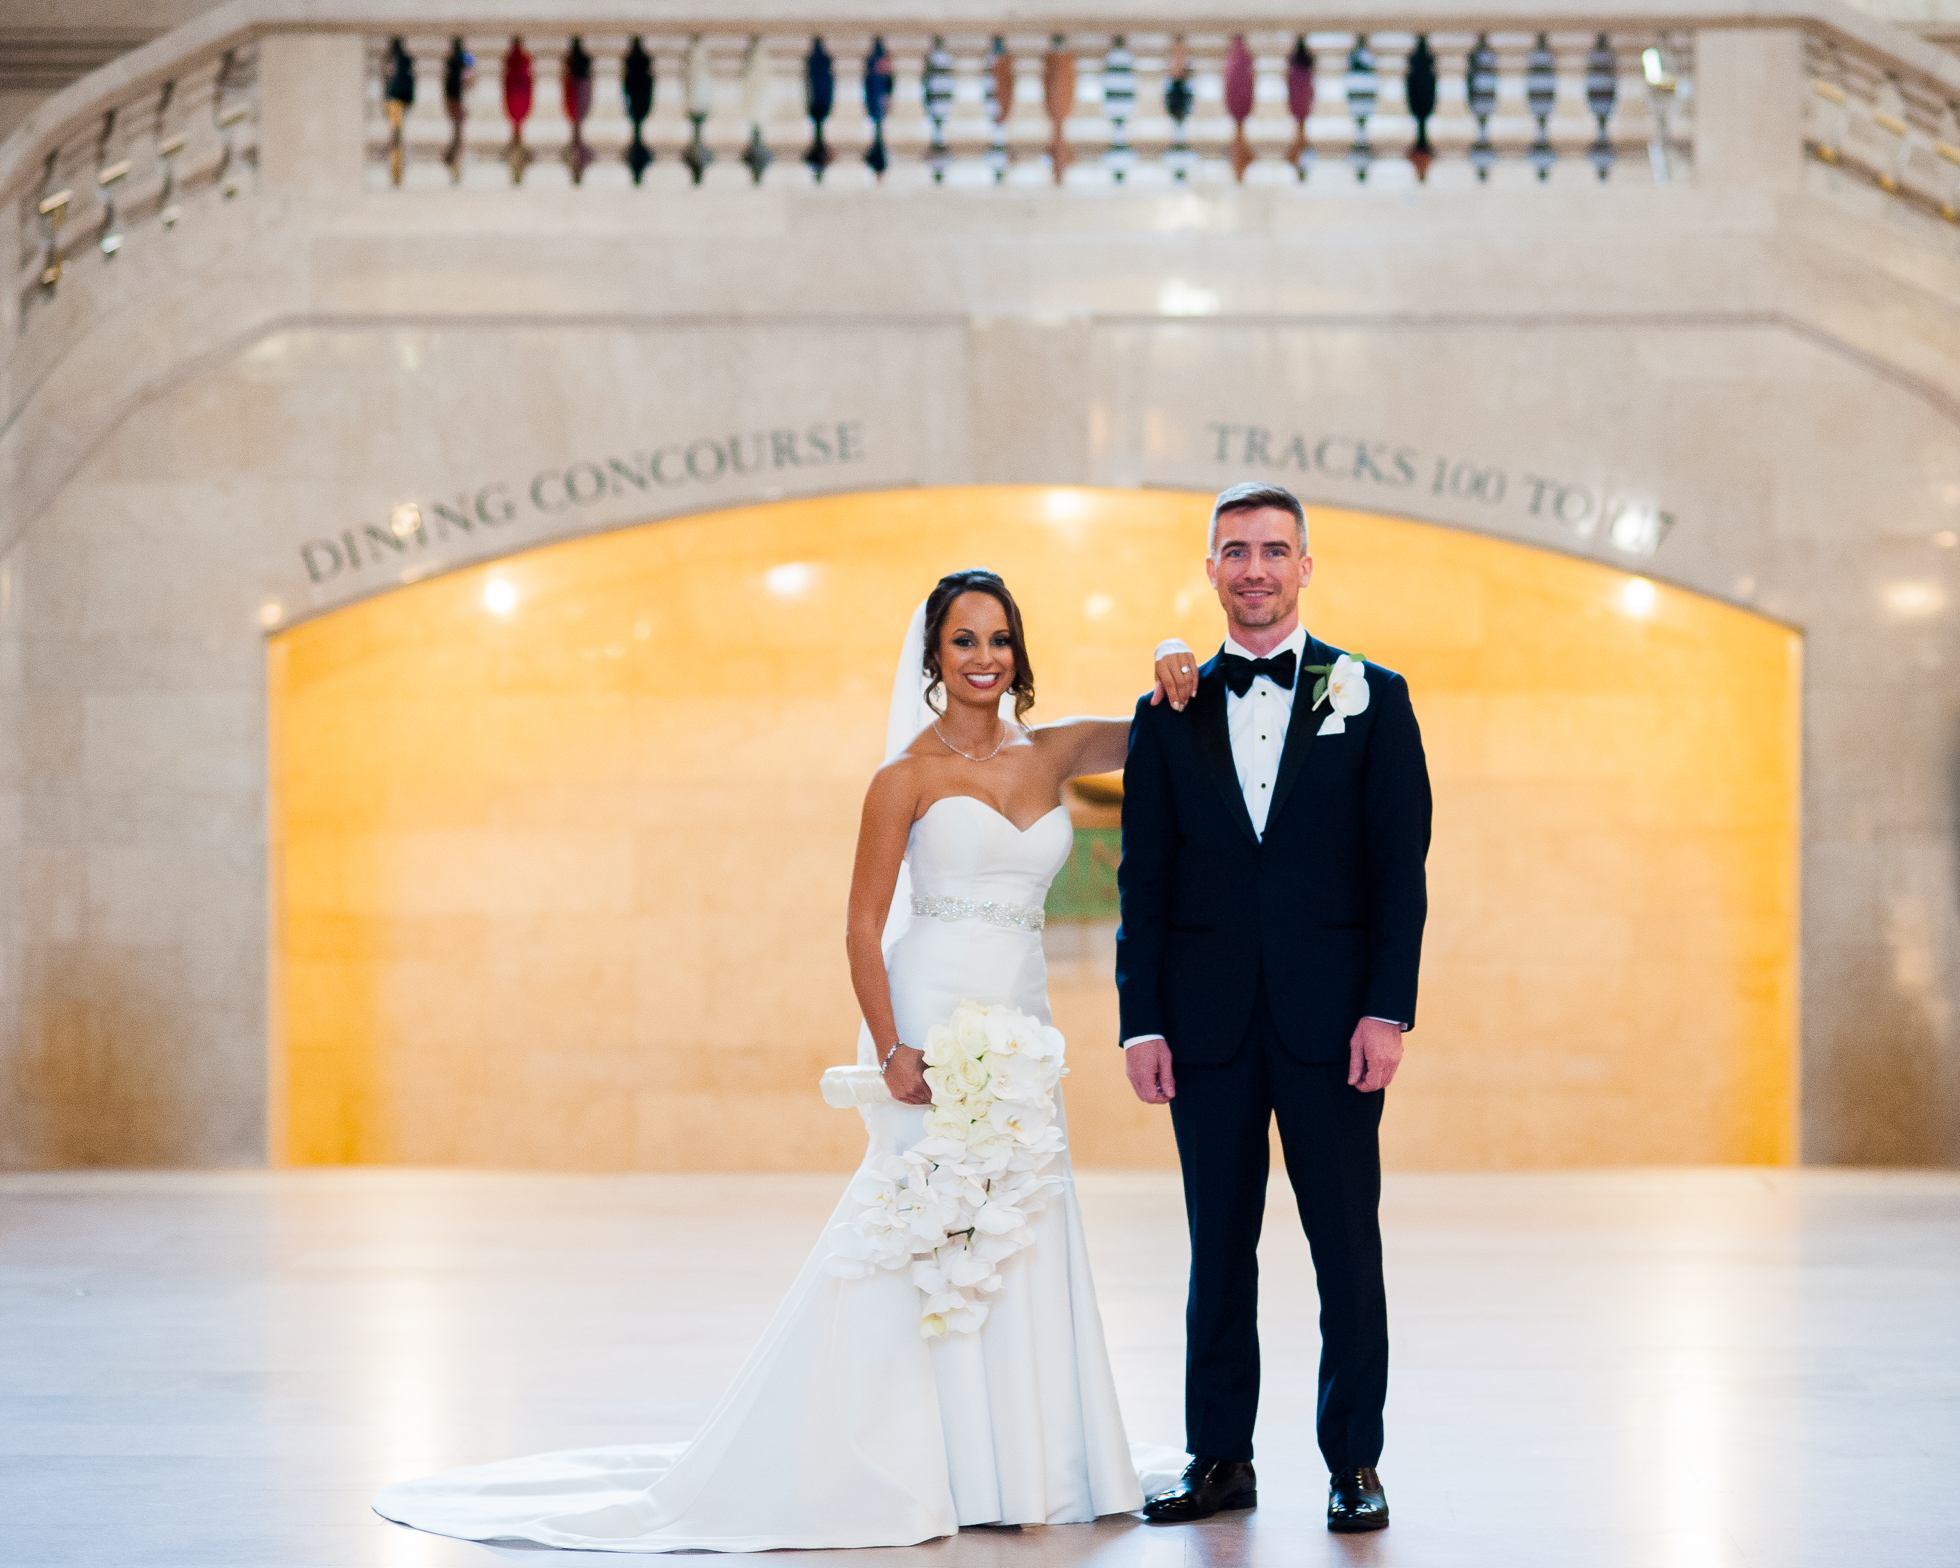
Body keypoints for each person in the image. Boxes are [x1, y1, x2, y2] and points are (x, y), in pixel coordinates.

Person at [372, 568, 1180, 1551]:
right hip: (930, 1014)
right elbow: (860, 924)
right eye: (963, 641)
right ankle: (891, 1452)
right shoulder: (905, 777)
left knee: (1021, 1215)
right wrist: (892, 1047)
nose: (983, 659)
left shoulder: (1050, 751)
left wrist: (1173, 662)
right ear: (932, 655)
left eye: (999, 639)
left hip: (1020, 1018)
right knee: (918, 1223)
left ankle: (1023, 1461)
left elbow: (1156, 720)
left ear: (1018, 649)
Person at [1120, 482, 1432, 1534]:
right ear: (1209, 569)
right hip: (1203, 1030)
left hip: (1333, 1023)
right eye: (1234, 551)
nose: (1254, 568)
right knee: (1218, 1249)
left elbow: (1400, 871)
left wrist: (1386, 1008)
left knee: (1346, 1246)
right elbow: (1144, 880)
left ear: (1306, 566)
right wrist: (1141, 1018)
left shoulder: (1373, 696)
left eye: (1274, 550)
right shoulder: (1165, 710)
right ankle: (1220, 1457)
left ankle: (1353, 1462)